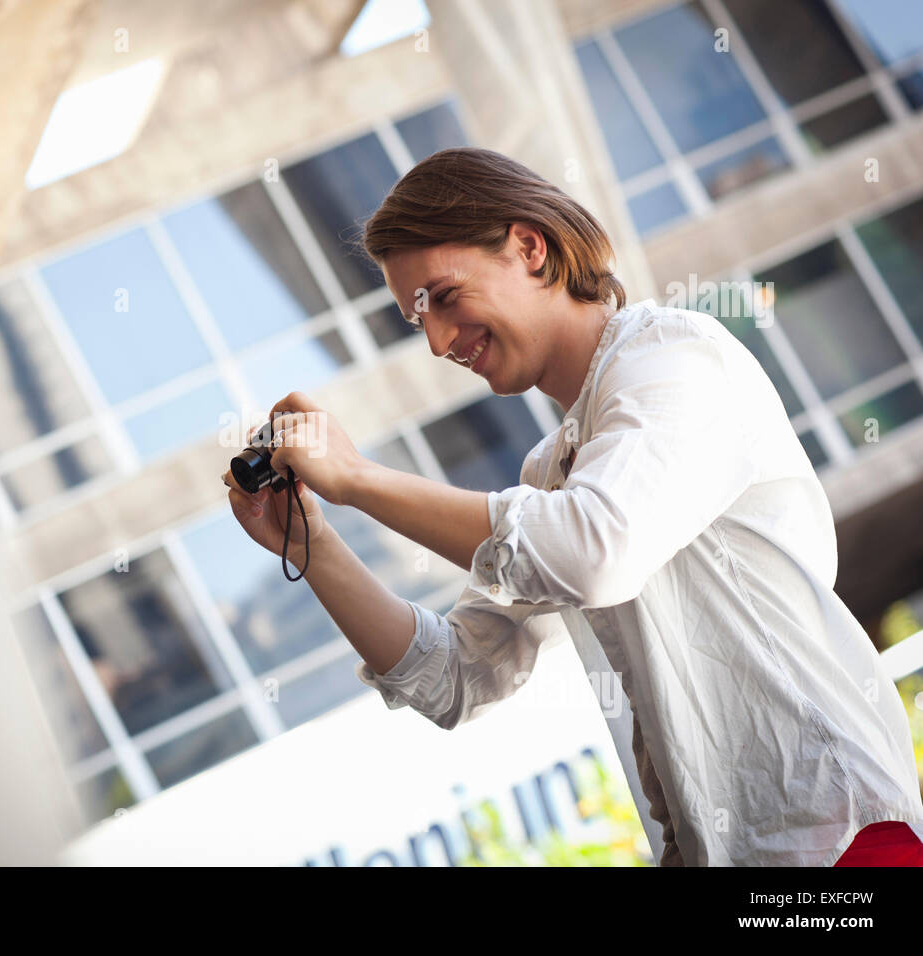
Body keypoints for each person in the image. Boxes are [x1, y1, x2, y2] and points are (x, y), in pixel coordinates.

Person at [220, 147, 923, 866]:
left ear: (530, 247)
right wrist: (315, 544)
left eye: (444, 298)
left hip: (840, 840)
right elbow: (456, 676)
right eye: (415, 320)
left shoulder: (674, 358)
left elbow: (595, 553)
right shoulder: (550, 474)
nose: (435, 341)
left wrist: (359, 477)